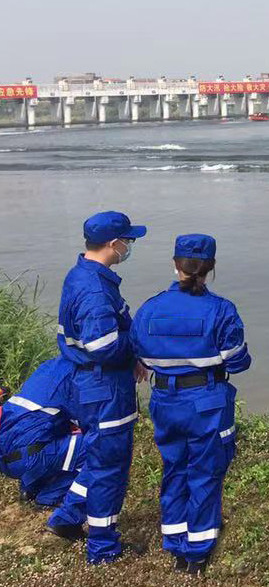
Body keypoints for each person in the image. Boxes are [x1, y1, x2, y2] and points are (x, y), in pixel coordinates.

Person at [131, 234, 251, 574]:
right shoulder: (221, 310)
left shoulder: (150, 308)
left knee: (174, 467)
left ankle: (175, 541)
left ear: (175, 264)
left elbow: (138, 352)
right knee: (205, 471)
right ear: (210, 268)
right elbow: (238, 360)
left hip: (165, 401)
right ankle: (197, 551)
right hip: (207, 402)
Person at [47, 211, 147, 563]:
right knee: (111, 465)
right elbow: (104, 346)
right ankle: (103, 546)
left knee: (99, 454)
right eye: (128, 241)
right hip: (105, 388)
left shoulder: (83, 276)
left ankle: (68, 515)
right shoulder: (94, 290)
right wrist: (135, 350)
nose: (129, 246)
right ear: (112, 244)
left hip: (86, 383)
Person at [0, 358, 86, 510]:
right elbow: (88, 421)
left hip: (8, 461)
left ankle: (29, 488)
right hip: (28, 458)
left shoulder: (48, 367)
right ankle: (48, 497)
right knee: (94, 445)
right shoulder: (73, 379)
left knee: (42, 433)